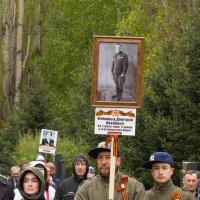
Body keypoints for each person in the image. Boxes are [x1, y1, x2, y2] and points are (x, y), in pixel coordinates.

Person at [74, 141, 147, 200]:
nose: (103, 162)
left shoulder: (134, 187)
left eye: (108, 157)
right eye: (100, 157)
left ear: (118, 161)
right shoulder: (86, 188)